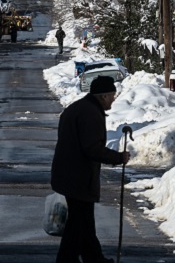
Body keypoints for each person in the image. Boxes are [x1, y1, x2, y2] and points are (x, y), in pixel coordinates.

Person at [50, 76, 129, 263]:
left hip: (71, 174)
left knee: (83, 222)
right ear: (103, 96)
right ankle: (67, 260)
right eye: (112, 95)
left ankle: (93, 258)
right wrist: (118, 157)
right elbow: (92, 148)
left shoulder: (80, 108)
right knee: (78, 223)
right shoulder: (90, 113)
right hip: (78, 177)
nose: (113, 99)